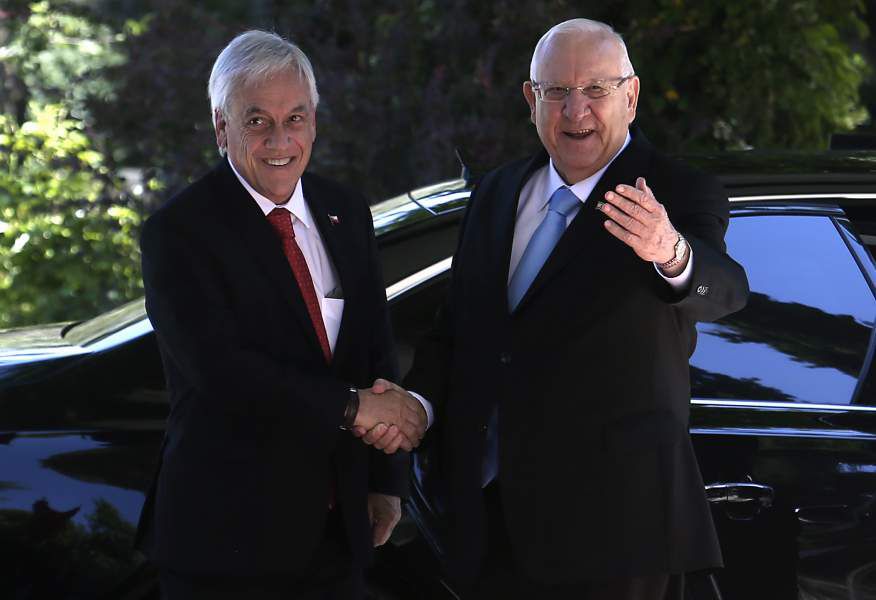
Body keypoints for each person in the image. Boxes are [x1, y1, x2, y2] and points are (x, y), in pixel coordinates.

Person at [362, 17, 749, 600]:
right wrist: (418, 404)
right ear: (531, 99)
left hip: (613, 541)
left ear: (632, 96)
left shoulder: (673, 192)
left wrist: (671, 253)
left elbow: (727, 289)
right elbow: (458, 334)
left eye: (596, 90)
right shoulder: (497, 192)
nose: (576, 112)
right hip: (484, 530)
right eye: (557, 92)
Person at [134, 30, 428, 600]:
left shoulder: (344, 211)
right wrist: (353, 408)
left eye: (295, 118)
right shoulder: (179, 233)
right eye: (256, 121)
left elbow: (373, 349)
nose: (280, 140)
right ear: (222, 127)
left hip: (337, 539)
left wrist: (385, 482)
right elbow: (223, 371)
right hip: (226, 548)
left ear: (314, 121)